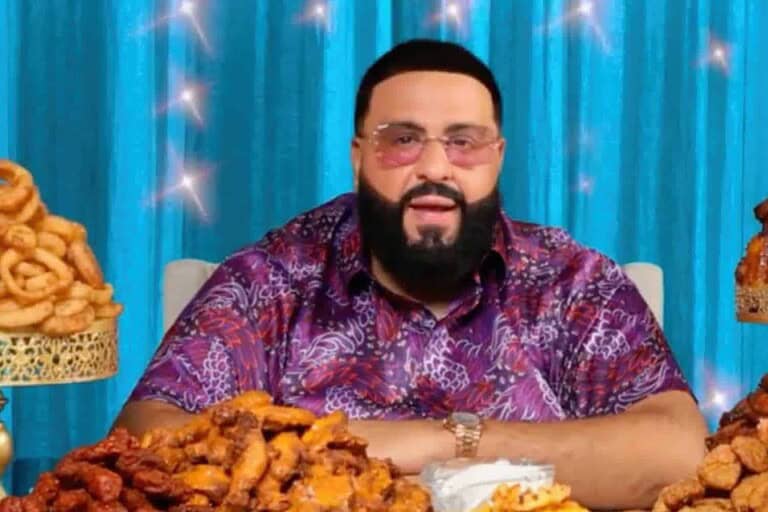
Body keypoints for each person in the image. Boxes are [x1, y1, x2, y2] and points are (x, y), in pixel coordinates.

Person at [115, 39, 707, 509]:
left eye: (463, 142)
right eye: (402, 140)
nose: (434, 167)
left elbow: (679, 452)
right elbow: (145, 440)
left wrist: (452, 441)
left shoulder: (572, 282)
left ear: (497, 158)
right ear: (358, 157)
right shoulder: (273, 279)